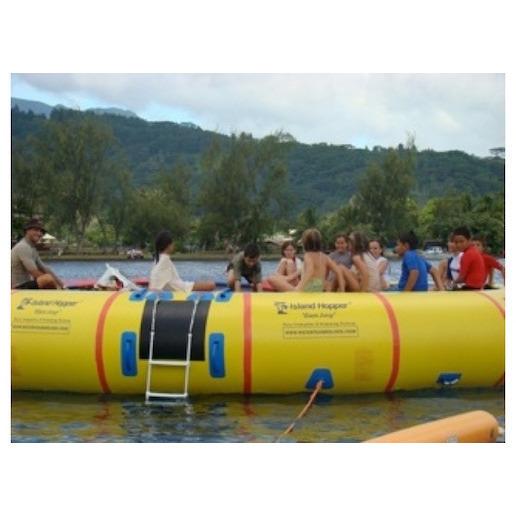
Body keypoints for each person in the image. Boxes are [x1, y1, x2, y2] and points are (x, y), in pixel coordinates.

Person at [267, 228, 344, 292]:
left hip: (308, 288)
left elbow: (310, 271)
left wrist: (299, 289)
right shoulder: (325, 256)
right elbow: (338, 271)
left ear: (305, 243)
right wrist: (342, 291)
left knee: (271, 279)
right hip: (319, 287)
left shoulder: (308, 255)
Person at [149, 230, 215, 292]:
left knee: (206, 283)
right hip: (180, 287)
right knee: (211, 285)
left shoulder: (158, 259)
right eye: (172, 243)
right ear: (169, 245)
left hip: (177, 285)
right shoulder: (164, 260)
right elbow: (157, 284)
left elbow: (156, 279)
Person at [11, 218, 65, 289]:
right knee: (47, 279)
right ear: (27, 231)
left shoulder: (32, 248)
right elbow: (34, 272)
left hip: (25, 285)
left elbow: (45, 268)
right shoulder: (23, 247)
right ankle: (59, 295)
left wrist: (63, 286)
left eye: (41, 231)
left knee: (48, 274)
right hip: (15, 289)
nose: (39, 233)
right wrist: (56, 286)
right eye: (36, 230)